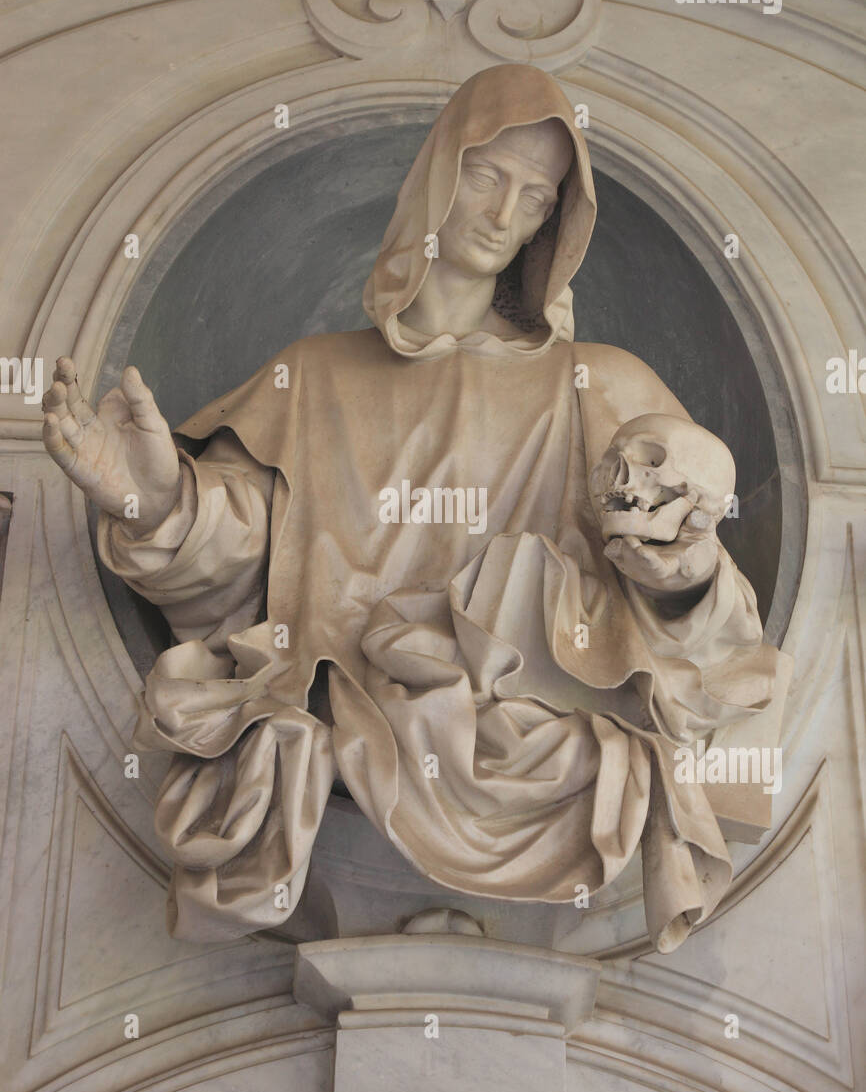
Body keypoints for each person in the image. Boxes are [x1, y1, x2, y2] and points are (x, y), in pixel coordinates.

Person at [41, 65, 781, 950]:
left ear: (555, 223)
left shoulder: (604, 385)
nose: (506, 214)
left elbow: (710, 612)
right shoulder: (312, 375)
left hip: (535, 726)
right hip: (350, 702)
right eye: (485, 177)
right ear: (437, 177)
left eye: (537, 198)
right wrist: (147, 494)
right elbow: (240, 568)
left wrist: (680, 574)